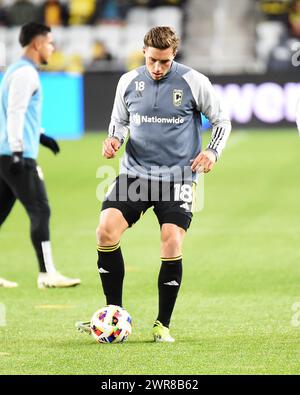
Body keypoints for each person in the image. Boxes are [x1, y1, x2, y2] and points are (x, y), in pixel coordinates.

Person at [76, 26, 231, 342]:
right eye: (151, 61)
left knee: (171, 239)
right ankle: (113, 314)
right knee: (105, 230)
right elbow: (119, 122)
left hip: (178, 176)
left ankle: (162, 324)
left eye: (163, 61)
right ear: (143, 52)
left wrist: (212, 151)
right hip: (135, 173)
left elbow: (221, 121)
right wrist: (113, 140)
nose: (157, 68)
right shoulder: (129, 82)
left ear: (173, 54)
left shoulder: (193, 82)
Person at [0, 22, 81, 289]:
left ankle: (47, 272)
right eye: (49, 42)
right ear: (36, 44)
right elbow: (15, 112)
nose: (52, 47)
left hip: (4, 153)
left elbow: (17, 114)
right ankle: (47, 273)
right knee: (40, 210)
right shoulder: (26, 74)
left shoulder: (14, 70)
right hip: (15, 154)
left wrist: (41, 135)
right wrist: (19, 151)